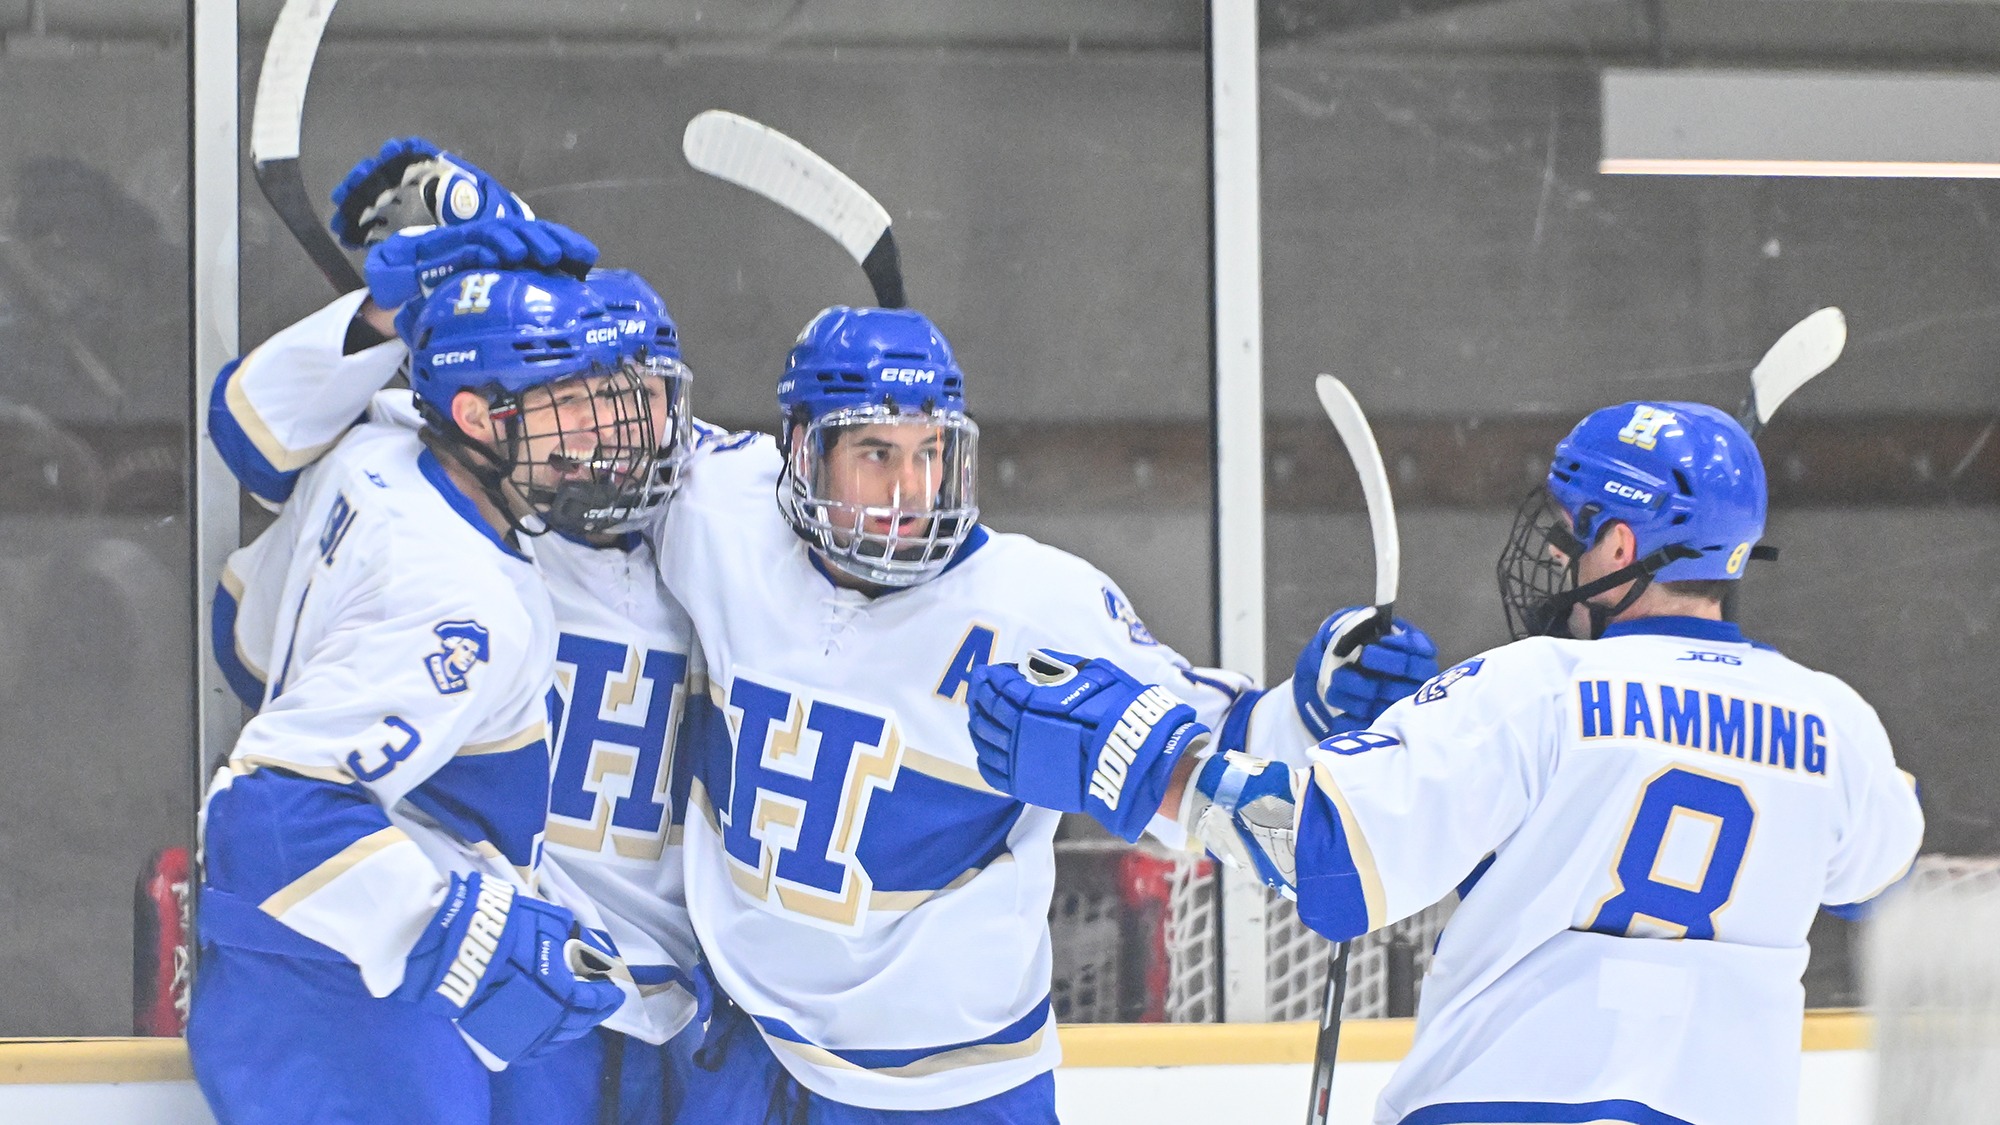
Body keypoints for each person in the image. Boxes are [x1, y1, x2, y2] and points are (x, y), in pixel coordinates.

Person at [966, 400, 1926, 1125]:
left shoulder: (1536, 690)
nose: (1555, 552)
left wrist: (1137, 761)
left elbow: (1324, 855)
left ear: (1619, 544)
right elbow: (1877, 882)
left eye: (1572, 530)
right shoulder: (1835, 725)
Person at [654, 304, 1439, 1121]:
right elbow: (618, 438)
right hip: (748, 1057)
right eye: (876, 453)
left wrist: (1318, 705)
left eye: (930, 451)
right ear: (802, 450)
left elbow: (1220, 749)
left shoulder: (1035, 605)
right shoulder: (724, 515)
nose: (910, 489)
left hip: (953, 1087)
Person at [207, 138, 710, 1125]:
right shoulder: (464, 597)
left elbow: (242, 634)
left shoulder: (378, 449)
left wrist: (442, 291)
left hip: (323, 957)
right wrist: (459, 932)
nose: (612, 436)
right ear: (478, 416)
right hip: (340, 981)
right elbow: (265, 813)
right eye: (577, 405)